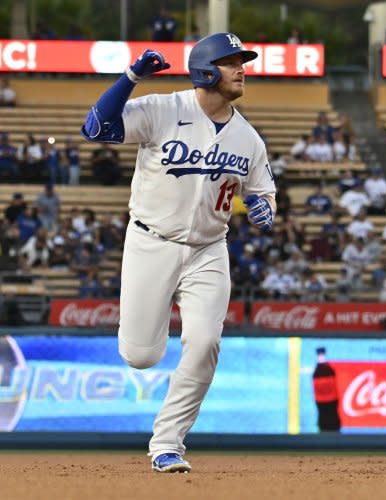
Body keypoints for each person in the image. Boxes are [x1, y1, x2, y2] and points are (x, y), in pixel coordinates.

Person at [80, 33, 276, 473]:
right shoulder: (164, 108)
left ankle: (168, 444)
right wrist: (131, 78)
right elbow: (96, 129)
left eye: (242, 61)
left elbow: (264, 194)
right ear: (206, 70)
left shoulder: (249, 139)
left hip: (210, 248)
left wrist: (265, 208)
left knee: (205, 342)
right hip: (151, 241)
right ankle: (146, 346)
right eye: (231, 62)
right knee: (141, 356)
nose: (242, 68)